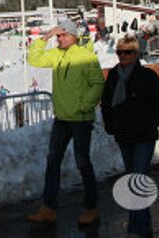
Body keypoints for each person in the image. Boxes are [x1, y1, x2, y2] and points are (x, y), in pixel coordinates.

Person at [27, 18, 105, 226]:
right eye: (58, 35)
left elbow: (98, 83)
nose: (59, 38)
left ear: (73, 35)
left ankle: (91, 207)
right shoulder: (56, 55)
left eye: (62, 35)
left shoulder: (86, 56)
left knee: (82, 162)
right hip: (61, 119)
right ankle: (48, 208)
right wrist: (45, 37)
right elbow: (33, 60)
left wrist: (84, 105)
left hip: (80, 119)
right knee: (52, 162)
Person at [101, 35, 159, 237]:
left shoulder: (147, 76)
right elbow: (106, 103)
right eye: (120, 52)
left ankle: (135, 230)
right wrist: (110, 125)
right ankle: (143, 228)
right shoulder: (113, 75)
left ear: (136, 54)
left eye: (127, 52)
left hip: (143, 138)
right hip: (124, 136)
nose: (123, 55)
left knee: (137, 181)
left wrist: (148, 126)